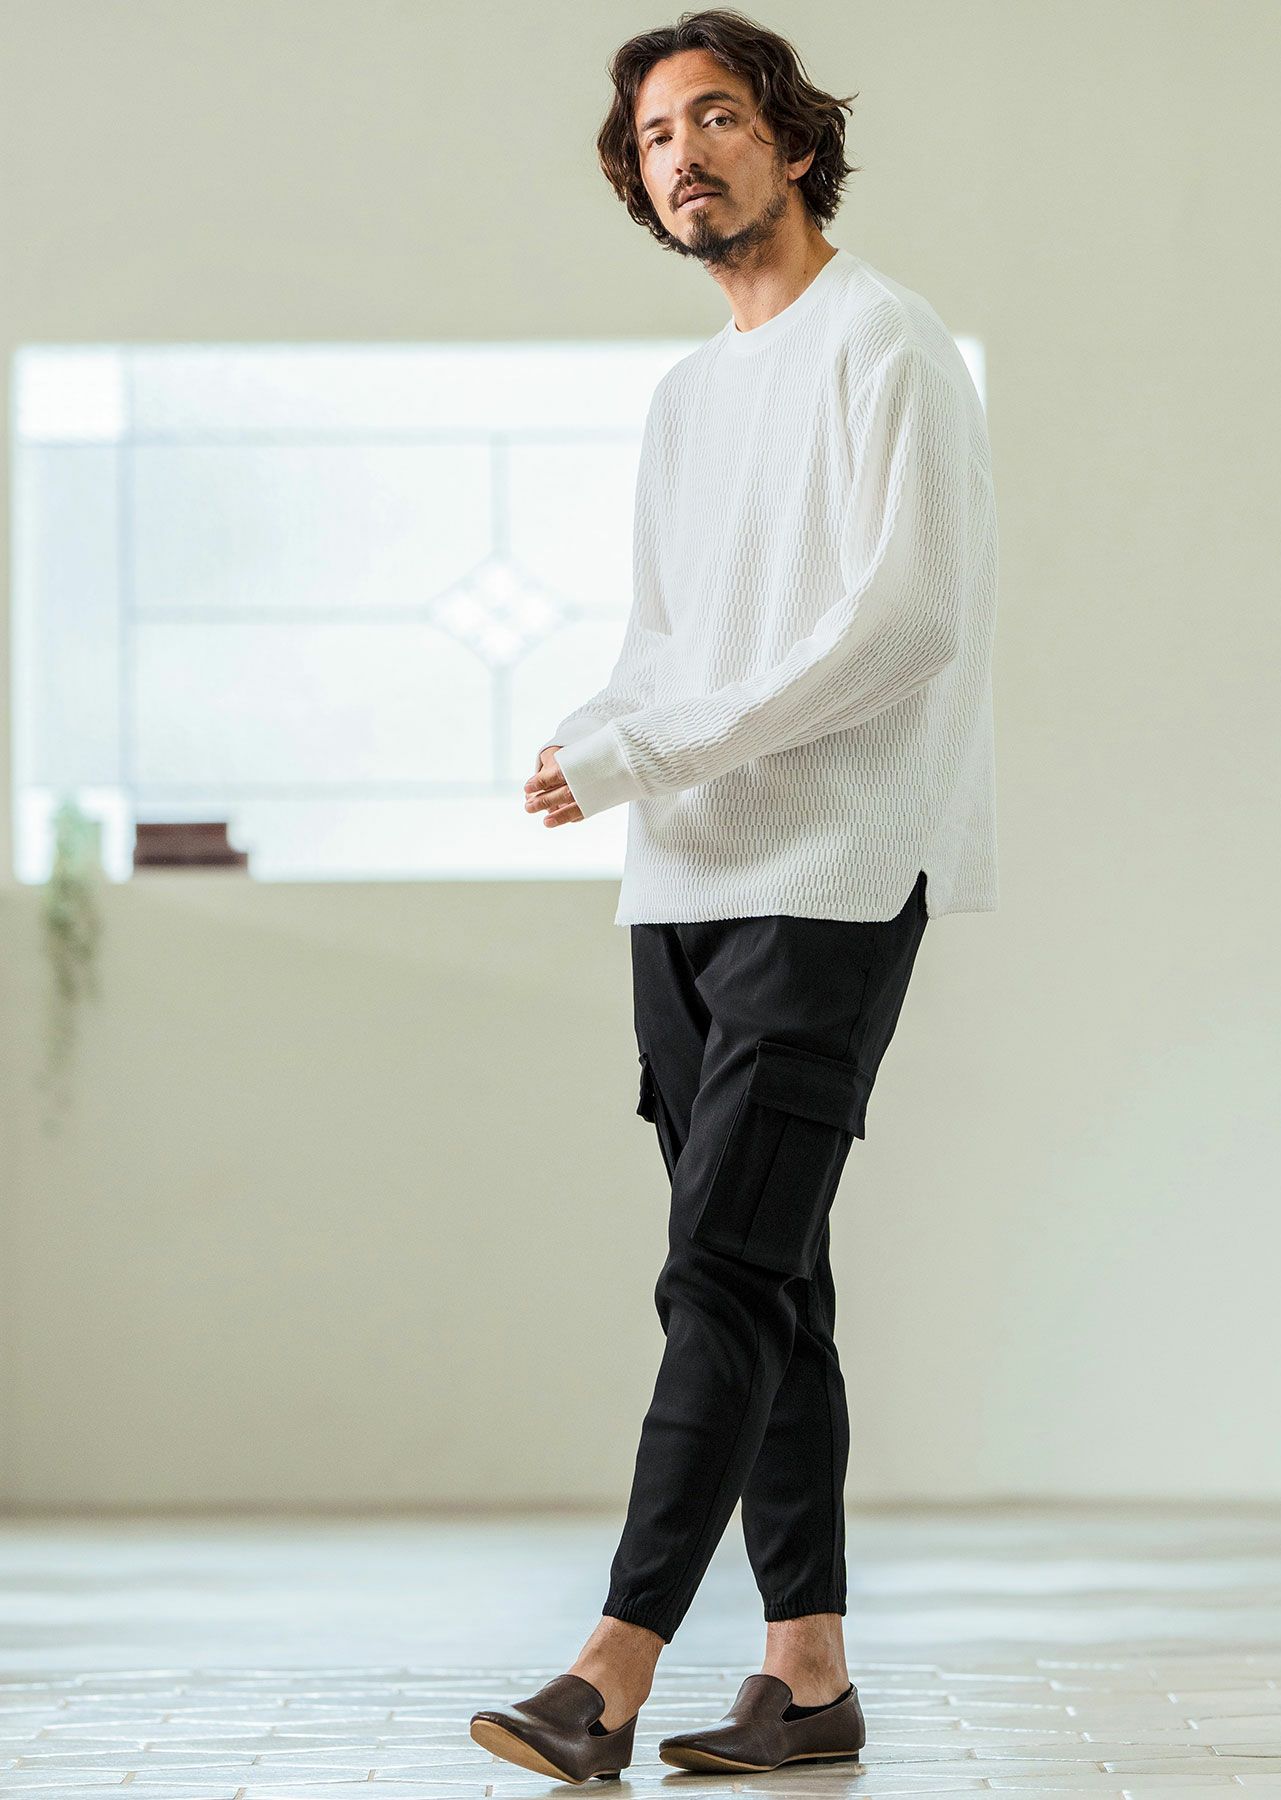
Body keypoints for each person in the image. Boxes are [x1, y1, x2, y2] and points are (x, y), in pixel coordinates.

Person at [470, 6, 1000, 1784]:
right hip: (680, 879)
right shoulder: (690, 398)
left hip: (832, 870)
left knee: (717, 1270)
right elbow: (669, 646)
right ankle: (808, 1678)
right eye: (653, 137)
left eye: (713, 117)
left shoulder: (887, 343)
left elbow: (907, 626)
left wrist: (653, 745)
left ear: (792, 140)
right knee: (773, 1279)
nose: (681, 154)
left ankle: (605, 1675)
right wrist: (600, 734)